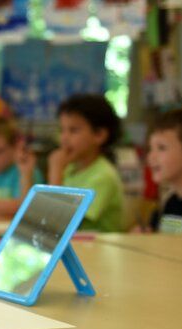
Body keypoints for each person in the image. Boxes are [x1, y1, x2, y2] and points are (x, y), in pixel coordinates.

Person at [48, 94, 125, 232]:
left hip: (100, 250)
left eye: (73, 130)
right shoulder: (69, 169)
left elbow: (59, 221)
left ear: (99, 135)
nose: (64, 138)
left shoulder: (103, 176)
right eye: (62, 130)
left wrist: (55, 170)